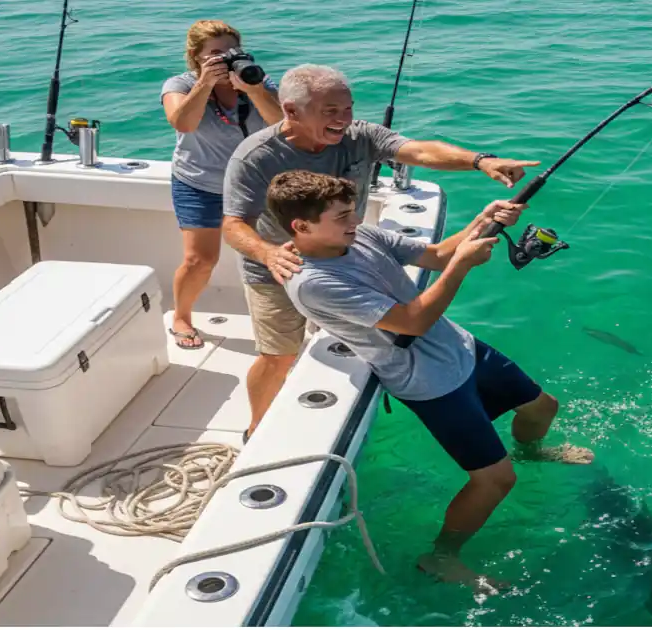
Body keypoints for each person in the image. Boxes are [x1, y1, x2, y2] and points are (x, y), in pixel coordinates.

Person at [265, 169, 594, 592]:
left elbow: (436, 254)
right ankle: (441, 557)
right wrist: (462, 265)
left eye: (354, 210)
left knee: (542, 405)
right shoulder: (314, 282)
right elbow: (414, 321)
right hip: (428, 381)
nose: (355, 219)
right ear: (301, 226)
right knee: (495, 480)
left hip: (460, 347)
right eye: (343, 215)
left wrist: (484, 218)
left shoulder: (358, 236)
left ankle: (529, 452)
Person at [222, 63, 539, 442]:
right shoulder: (254, 156)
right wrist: (268, 253)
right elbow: (233, 224)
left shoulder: (359, 135)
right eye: (330, 112)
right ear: (291, 111)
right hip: (279, 267)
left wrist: (481, 161)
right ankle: (256, 428)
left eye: (348, 108)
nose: (344, 120)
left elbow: (418, 150)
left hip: (347, 252)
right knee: (278, 356)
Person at [161, 19, 283, 349]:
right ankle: (181, 316)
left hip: (252, 183)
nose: (226, 57)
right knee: (200, 261)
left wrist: (255, 91)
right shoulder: (180, 84)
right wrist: (204, 84)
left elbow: (282, 125)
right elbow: (183, 123)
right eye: (216, 53)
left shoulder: (254, 79)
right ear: (196, 57)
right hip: (199, 182)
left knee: (277, 253)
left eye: (232, 50)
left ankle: (286, 317)